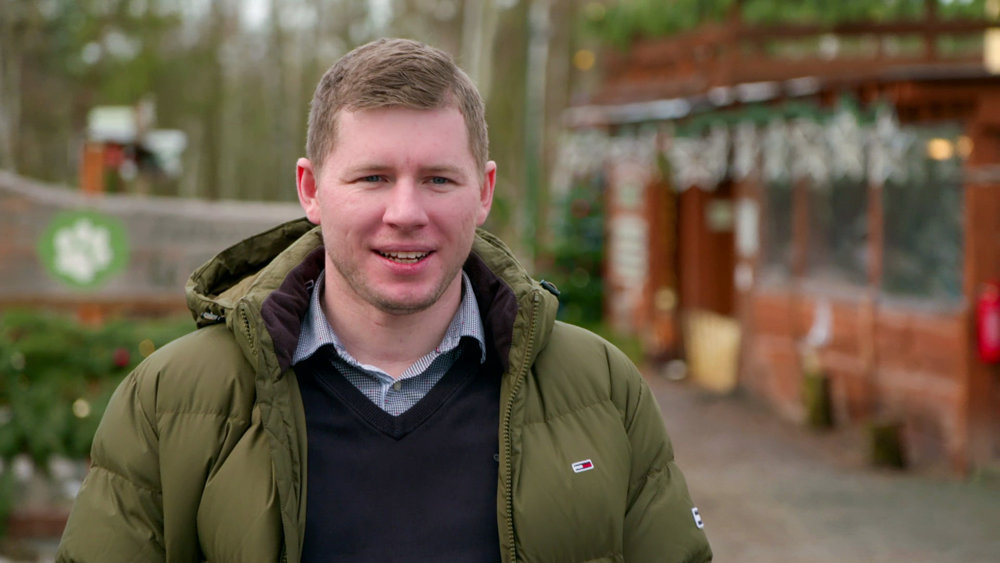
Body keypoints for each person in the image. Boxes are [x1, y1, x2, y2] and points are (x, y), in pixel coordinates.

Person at [57, 38, 712, 562]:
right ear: (311, 189)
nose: (406, 212)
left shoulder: (601, 391)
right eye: (372, 177)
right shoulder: (172, 401)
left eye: (438, 179)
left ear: (484, 191)